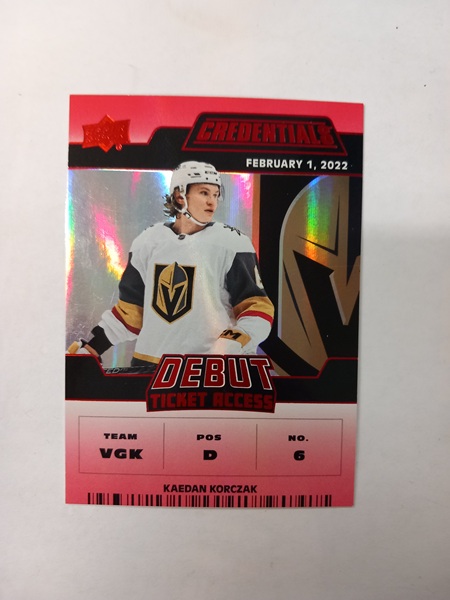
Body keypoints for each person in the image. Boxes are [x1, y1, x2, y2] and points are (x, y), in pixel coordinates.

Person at [67, 161, 274, 370]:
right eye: (204, 193)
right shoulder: (147, 242)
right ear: (179, 196)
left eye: (215, 194)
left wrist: (235, 339)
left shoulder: (232, 244)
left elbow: (257, 308)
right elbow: (130, 313)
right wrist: (92, 348)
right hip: (146, 367)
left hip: (206, 369)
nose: (212, 201)